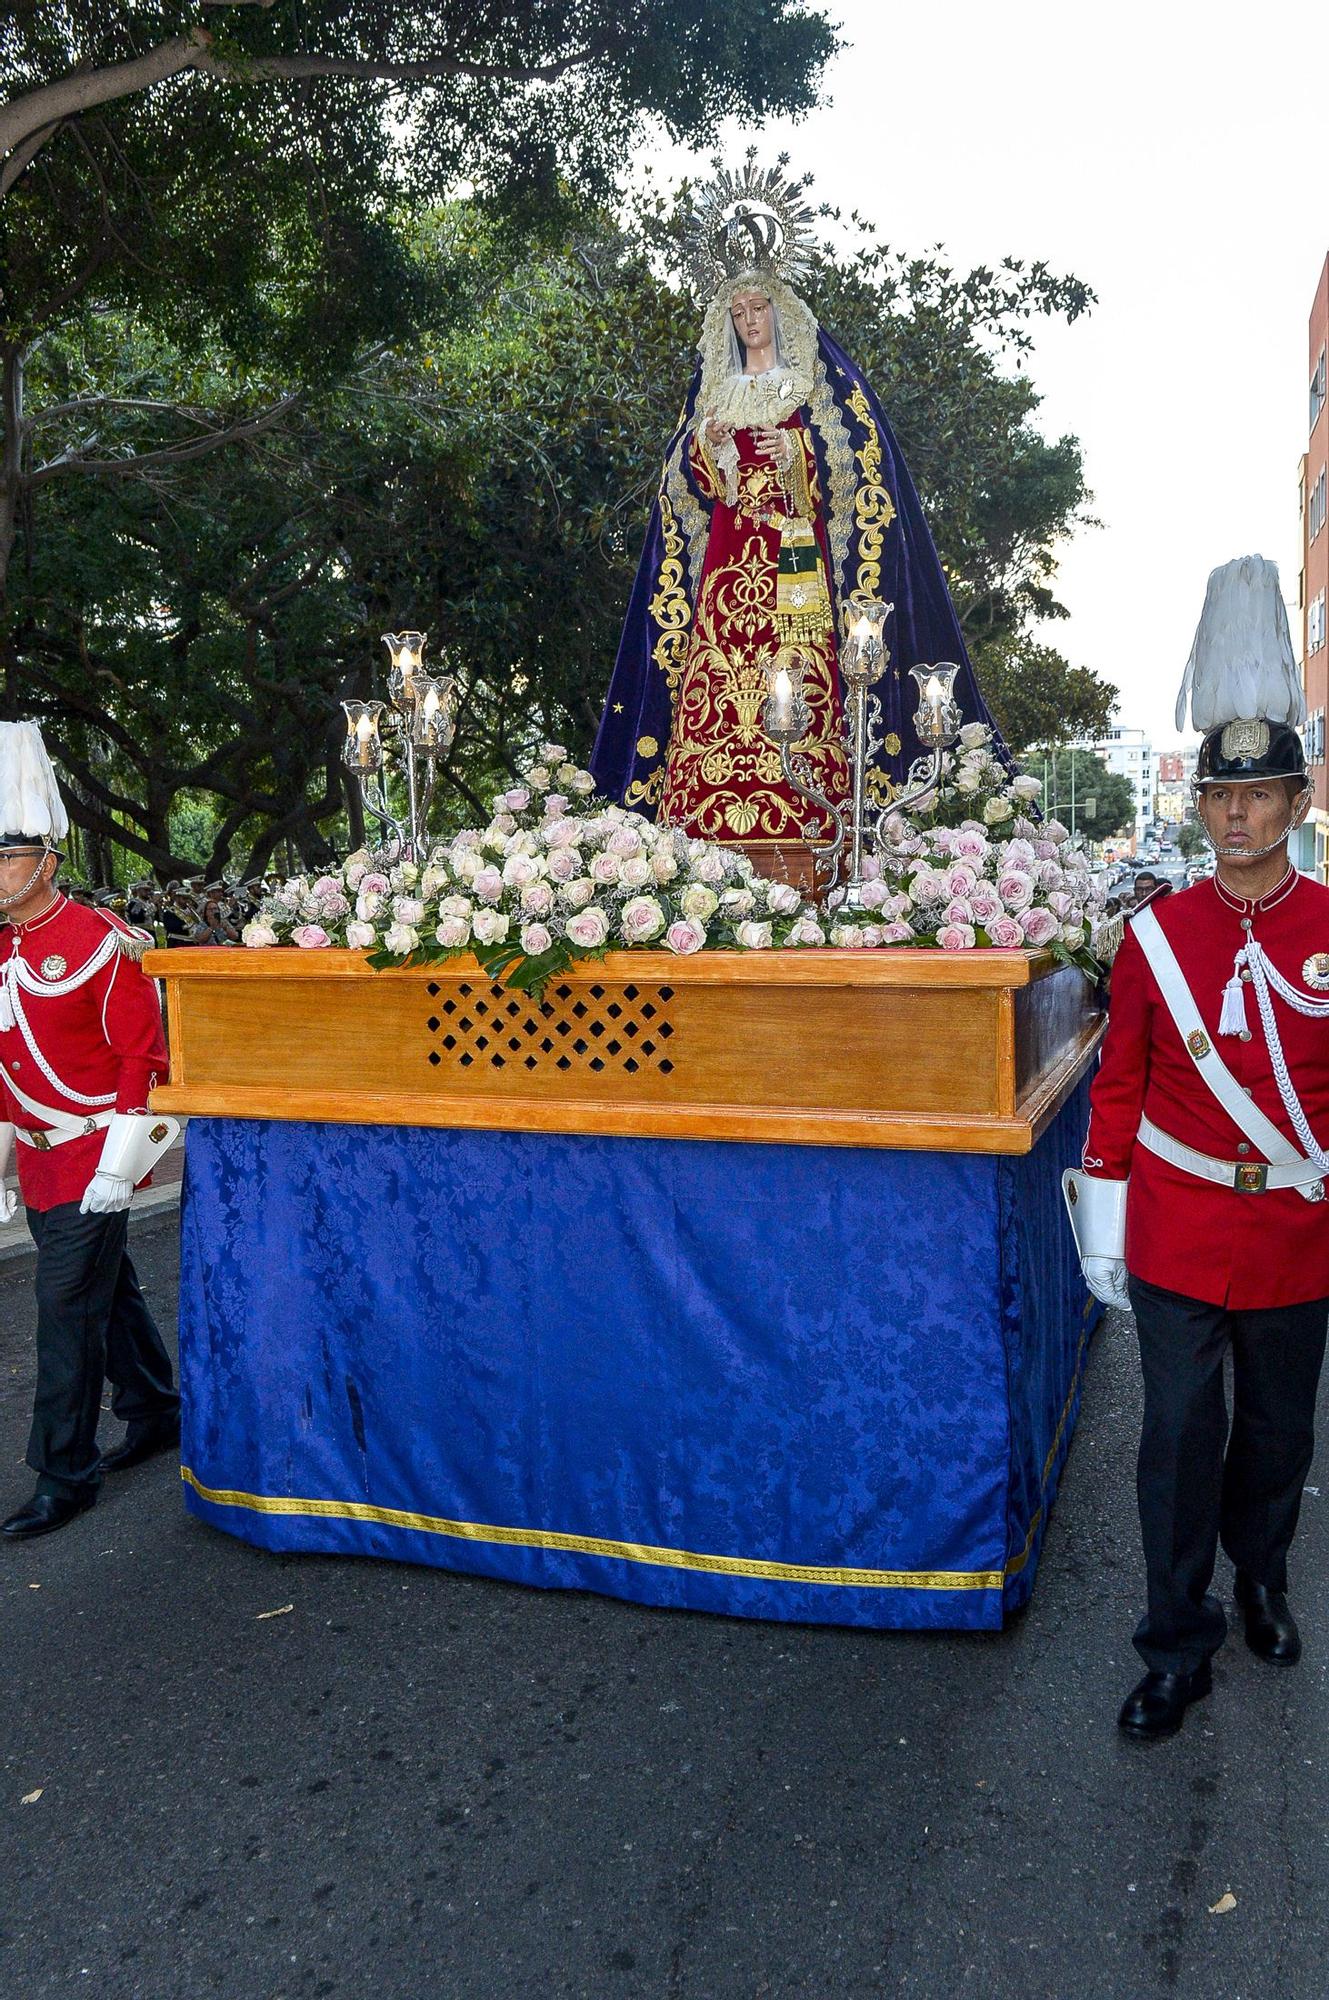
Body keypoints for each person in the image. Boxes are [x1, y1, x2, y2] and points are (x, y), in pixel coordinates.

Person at [1064, 555, 1329, 1738]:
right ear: (1202, 807)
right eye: (1220, 797)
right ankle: (1178, 1640)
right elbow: (1118, 1089)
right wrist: (1105, 1226)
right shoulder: (1156, 936)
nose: (1235, 814)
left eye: (1258, 794)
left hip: (1295, 1228)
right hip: (1176, 1222)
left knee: (1277, 1435)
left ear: (1295, 803)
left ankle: (1262, 1576)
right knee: (1176, 1437)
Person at [590, 159, 1005, 839]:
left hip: (794, 562)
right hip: (728, 565)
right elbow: (685, 487)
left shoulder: (815, 387)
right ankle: (704, 820)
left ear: (779, 314)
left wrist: (798, 459)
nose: (749, 321)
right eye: (738, 312)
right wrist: (712, 448)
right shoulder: (715, 390)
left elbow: (862, 476)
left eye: (758, 309)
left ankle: (813, 817)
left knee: (803, 668)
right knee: (719, 678)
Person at [0, 722, 181, 1541]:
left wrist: (120, 1169)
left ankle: (63, 1474)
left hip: (94, 1154)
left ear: (48, 862)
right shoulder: (5, 947)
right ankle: (154, 1408)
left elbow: (142, 1058)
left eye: (7, 857)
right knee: (106, 1292)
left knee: (64, 1310)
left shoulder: (101, 943)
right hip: (40, 1163)